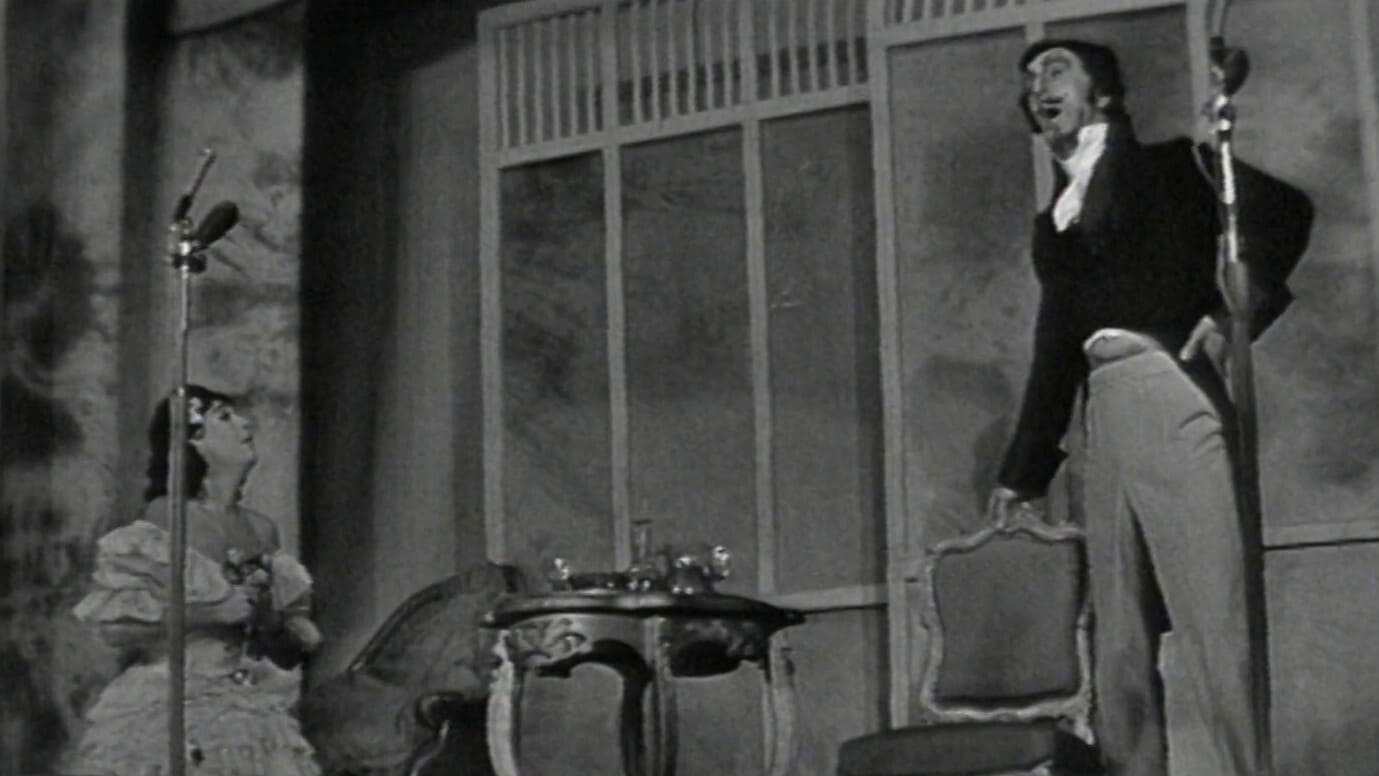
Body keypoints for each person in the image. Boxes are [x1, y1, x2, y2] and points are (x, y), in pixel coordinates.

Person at [989, 40, 1313, 776]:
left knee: (1214, 618)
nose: (1038, 86)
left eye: (1056, 70)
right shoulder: (1054, 222)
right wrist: (1022, 472)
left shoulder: (1174, 167)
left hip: (1169, 391)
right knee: (1119, 637)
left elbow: (1286, 213)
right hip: (1103, 414)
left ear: (1101, 91)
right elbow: (1055, 351)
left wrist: (1231, 316)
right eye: (1030, 78)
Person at [62, 385, 322, 776]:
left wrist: (269, 622)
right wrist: (212, 613)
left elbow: (287, 655)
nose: (245, 424)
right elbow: (117, 628)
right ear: (194, 441)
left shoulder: (262, 530)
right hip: (169, 703)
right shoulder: (167, 517)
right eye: (225, 417)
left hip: (243, 707)